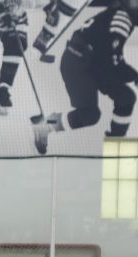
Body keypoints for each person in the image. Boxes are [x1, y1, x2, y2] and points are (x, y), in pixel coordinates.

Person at [32, 0, 137, 153]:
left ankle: (115, 143)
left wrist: (132, 75)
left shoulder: (121, 14)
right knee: (90, 114)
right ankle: (45, 125)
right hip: (77, 63)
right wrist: (133, 76)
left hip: (93, 62)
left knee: (125, 97)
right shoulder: (122, 19)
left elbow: (110, 57)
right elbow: (111, 60)